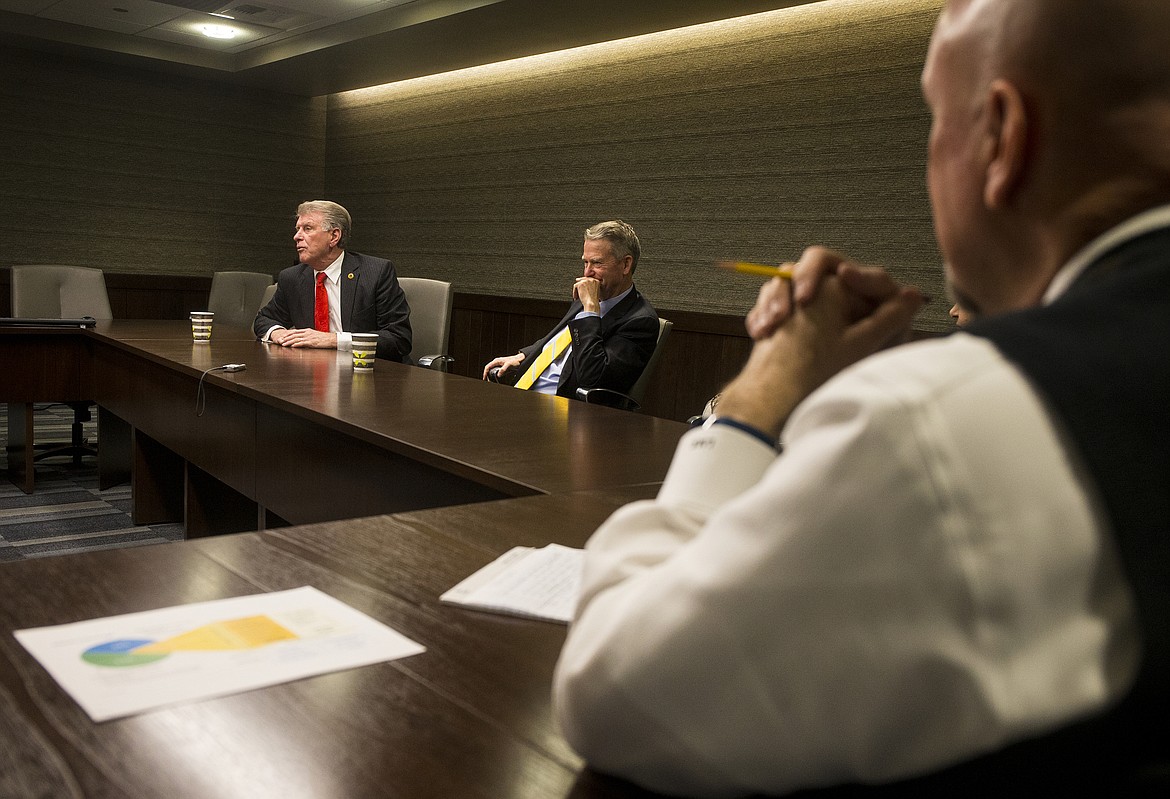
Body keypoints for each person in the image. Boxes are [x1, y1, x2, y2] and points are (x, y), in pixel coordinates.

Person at [553, 0, 1169, 796]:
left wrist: (759, 394)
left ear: (1001, 138)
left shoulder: (932, 424)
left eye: (934, 124)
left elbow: (617, 691)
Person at [481, 220, 659, 399]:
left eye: (597, 263)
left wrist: (590, 310)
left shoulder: (640, 321)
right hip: (523, 393)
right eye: (585, 263)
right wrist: (524, 356)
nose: (587, 272)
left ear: (626, 265)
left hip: (565, 407)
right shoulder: (587, 295)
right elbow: (558, 339)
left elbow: (593, 378)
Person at [254, 200, 412, 362]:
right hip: (311, 372)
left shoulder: (375, 272)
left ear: (334, 236)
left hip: (370, 371)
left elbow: (398, 338)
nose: (297, 236)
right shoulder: (292, 277)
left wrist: (333, 340)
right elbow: (264, 319)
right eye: (297, 229)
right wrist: (279, 332)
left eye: (307, 228)